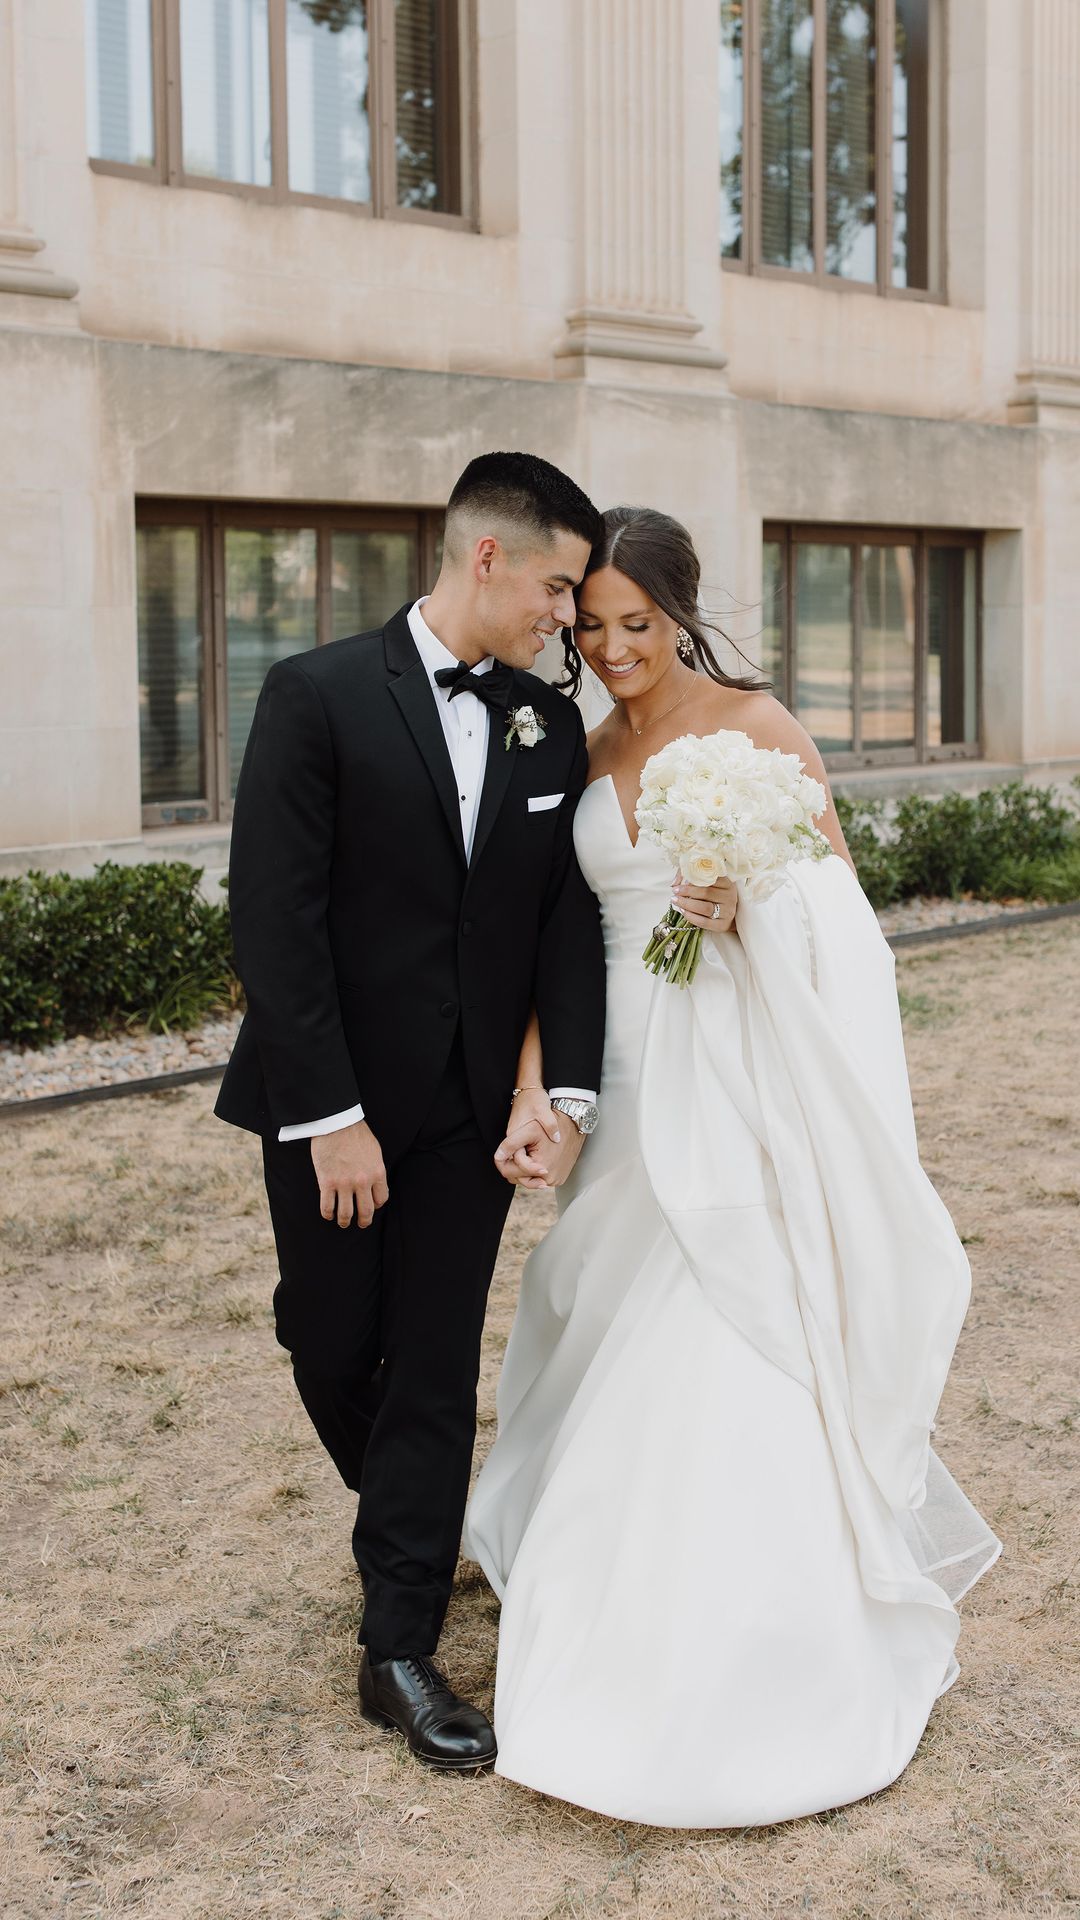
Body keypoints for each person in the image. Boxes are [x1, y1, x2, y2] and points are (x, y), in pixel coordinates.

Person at [466, 506, 1001, 1827]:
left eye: (636, 625)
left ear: (681, 614)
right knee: (599, 1300)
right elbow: (552, 937)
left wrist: (744, 905)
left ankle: (742, 1626)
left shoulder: (757, 730)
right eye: (591, 628)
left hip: (727, 1068)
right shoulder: (580, 745)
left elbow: (845, 923)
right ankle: (589, 1549)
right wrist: (546, 1086)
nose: (612, 649)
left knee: (715, 1306)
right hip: (614, 1070)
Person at [216, 452, 608, 1771]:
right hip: (332, 1102)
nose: (566, 615)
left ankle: (399, 1643)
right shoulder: (316, 694)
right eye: (558, 586)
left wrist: (556, 1093)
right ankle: (404, 1501)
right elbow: (274, 919)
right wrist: (329, 1113)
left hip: (466, 1118)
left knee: (434, 1365)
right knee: (333, 1342)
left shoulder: (548, 726)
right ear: (487, 556)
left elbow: (563, 925)